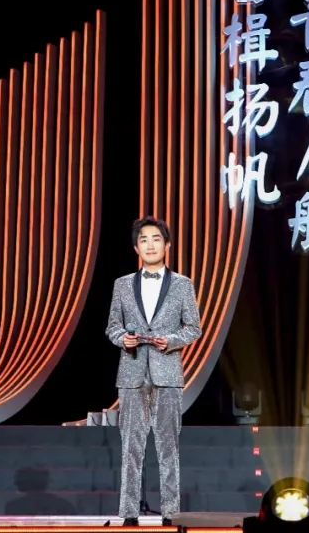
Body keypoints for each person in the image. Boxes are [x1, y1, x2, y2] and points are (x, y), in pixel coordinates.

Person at [105, 216, 202, 526]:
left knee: (168, 446)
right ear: (136, 247)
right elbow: (112, 326)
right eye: (144, 239)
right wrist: (123, 338)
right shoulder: (122, 284)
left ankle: (170, 512)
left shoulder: (183, 284)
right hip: (131, 373)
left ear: (167, 245)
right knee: (130, 447)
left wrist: (170, 341)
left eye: (156, 239)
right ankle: (129, 513)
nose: (150, 245)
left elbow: (194, 328)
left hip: (168, 373)